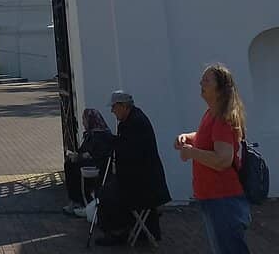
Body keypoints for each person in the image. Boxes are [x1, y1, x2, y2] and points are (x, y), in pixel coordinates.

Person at [175, 64, 251, 254]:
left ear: (220, 88)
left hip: (223, 199)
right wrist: (189, 137)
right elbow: (208, 138)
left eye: (207, 80)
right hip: (214, 198)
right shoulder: (212, 113)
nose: (201, 83)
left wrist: (191, 152)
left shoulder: (222, 118)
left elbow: (223, 159)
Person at [95, 91, 170, 246]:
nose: (112, 111)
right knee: (108, 189)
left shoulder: (136, 123)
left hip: (145, 184)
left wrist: (113, 142)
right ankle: (132, 229)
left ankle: (117, 231)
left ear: (123, 106)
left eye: (114, 107)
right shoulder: (131, 120)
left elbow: (131, 152)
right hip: (139, 179)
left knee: (106, 194)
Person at [62, 108, 114, 214]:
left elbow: (97, 154)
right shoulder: (90, 134)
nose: (82, 122)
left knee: (73, 167)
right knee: (70, 164)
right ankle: (76, 200)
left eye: (84, 119)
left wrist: (80, 157)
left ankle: (79, 200)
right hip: (91, 162)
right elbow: (84, 151)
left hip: (98, 166)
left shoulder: (101, 135)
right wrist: (77, 155)